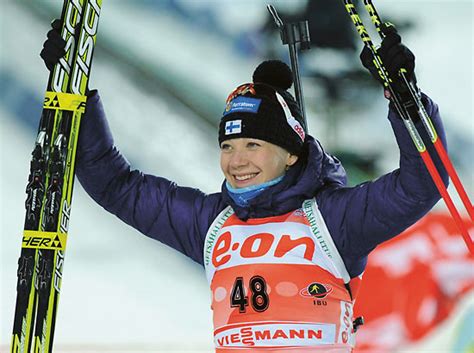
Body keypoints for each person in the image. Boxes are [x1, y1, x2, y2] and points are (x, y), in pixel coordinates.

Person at [40, 17, 448, 353]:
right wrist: (77, 95)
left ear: (291, 152)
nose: (237, 161)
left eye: (253, 144)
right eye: (228, 146)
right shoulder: (211, 224)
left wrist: (406, 101)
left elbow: (422, 184)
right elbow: (118, 187)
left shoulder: (332, 219)